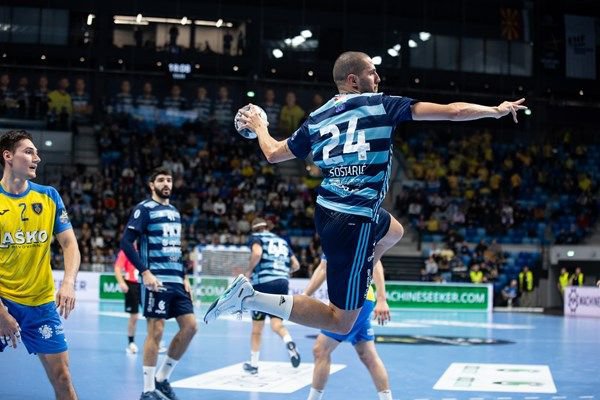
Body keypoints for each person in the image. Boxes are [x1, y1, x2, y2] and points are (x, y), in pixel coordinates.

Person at [204, 51, 526, 337]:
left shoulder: (317, 119)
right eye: (373, 72)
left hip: (331, 209)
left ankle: (363, 266)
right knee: (340, 321)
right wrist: (495, 110)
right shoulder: (382, 105)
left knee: (395, 230)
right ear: (354, 79)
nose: (379, 77)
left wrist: (260, 126)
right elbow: (453, 111)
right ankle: (250, 297)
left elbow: (273, 153)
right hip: (354, 219)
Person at [0, 129, 81, 399]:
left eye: (36, 152)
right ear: (8, 156)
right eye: (29, 151)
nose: (37, 157)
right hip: (1, 300)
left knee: (63, 377)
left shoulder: (49, 196)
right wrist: (1, 313)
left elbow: (69, 244)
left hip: (41, 304)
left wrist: (68, 283)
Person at [120, 167, 198, 400]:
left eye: (169, 180)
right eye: (161, 180)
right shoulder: (144, 209)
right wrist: (144, 272)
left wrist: (184, 276)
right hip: (157, 281)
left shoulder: (174, 212)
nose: (166, 183)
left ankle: (162, 378)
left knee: (191, 327)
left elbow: (177, 248)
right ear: (151, 185)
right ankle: (146, 390)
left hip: (177, 281)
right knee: (156, 331)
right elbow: (126, 242)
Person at [303, 208, 393, 400]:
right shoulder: (334, 232)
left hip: (354, 300)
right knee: (367, 355)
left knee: (320, 349)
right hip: (360, 300)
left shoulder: (353, 229)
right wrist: (305, 295)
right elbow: (323, 267)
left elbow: (374, 262)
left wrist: (382, 299)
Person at [242, 218, 301, 374]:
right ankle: (289, 342)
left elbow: (257, 252)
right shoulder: (282, 241)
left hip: (263, 284)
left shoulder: (256, 238)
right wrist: (282, 272)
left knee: (257, 328)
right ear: (267, 227)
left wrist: (248, 271)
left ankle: (254, 364)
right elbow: (296, 265)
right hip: (282, 283)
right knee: (276, 323)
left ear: (254, 229)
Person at [114, 249, 141, 354]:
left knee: (152, 315)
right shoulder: (126, 251)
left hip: (145, 283)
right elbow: (117, 267)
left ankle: (155, 342)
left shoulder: (144, 248)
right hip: (132, 284)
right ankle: (131, 343)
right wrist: (121, 282)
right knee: (134, 316)